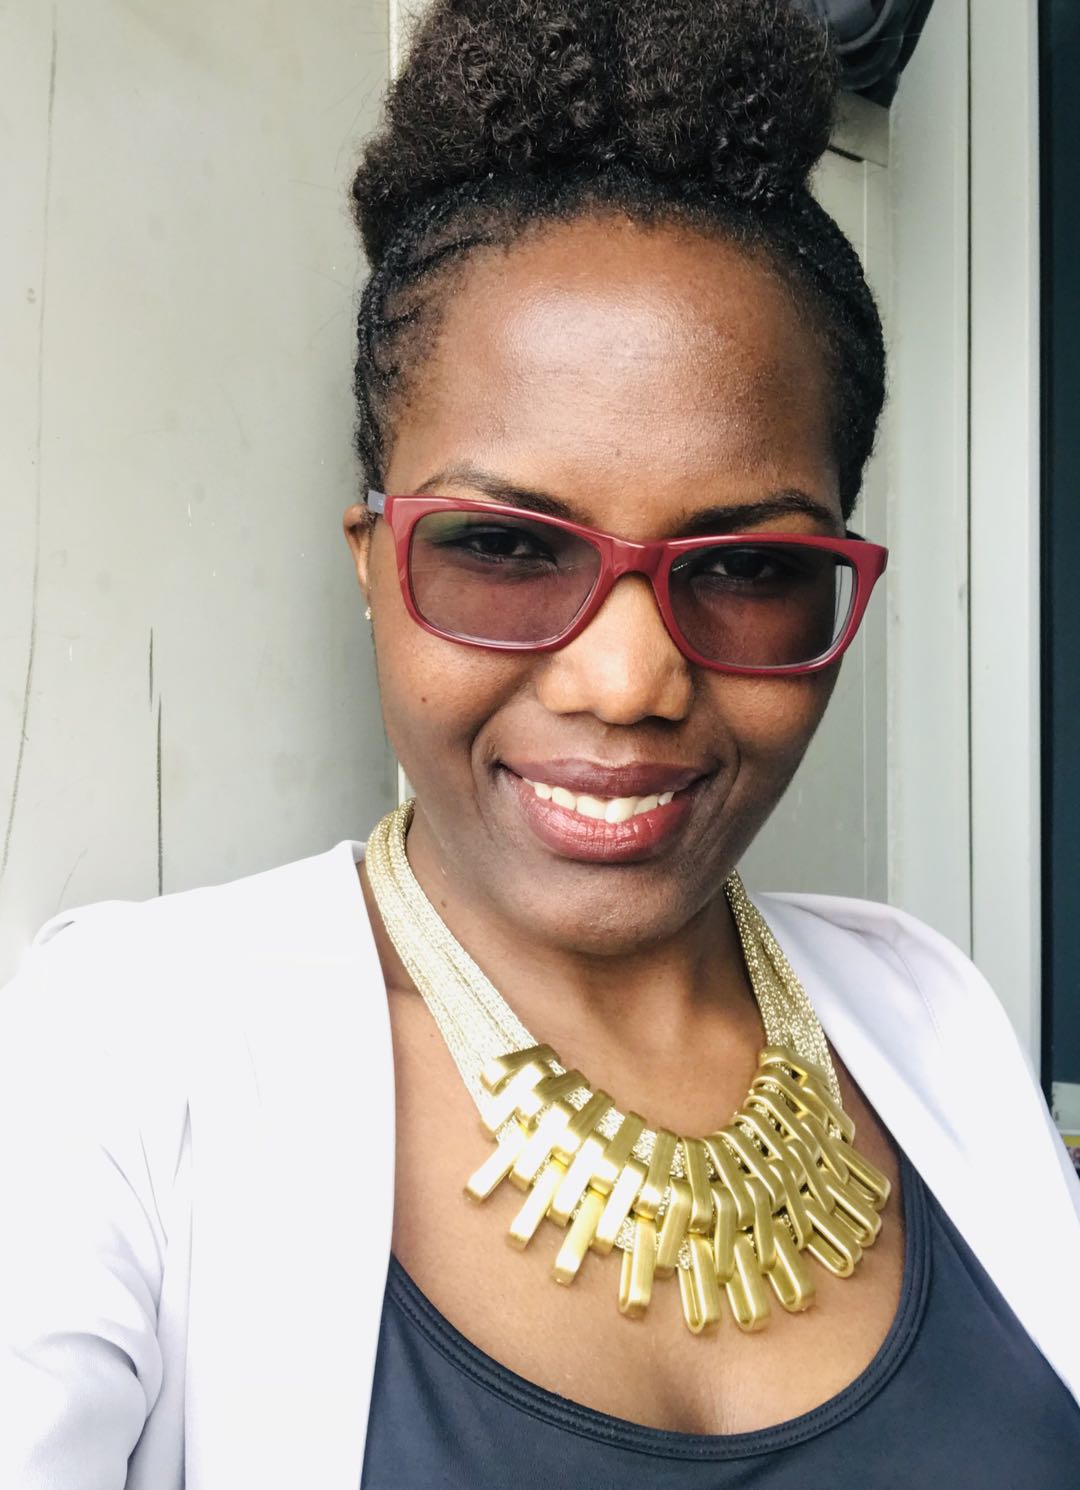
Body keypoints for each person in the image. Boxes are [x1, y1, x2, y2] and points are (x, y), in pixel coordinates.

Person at [2, 2, 1078, 1486]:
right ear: (374, 565)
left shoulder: (929, 1014)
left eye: (747, 566)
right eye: (506, 547)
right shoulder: (129, 1054)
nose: (627, 681)